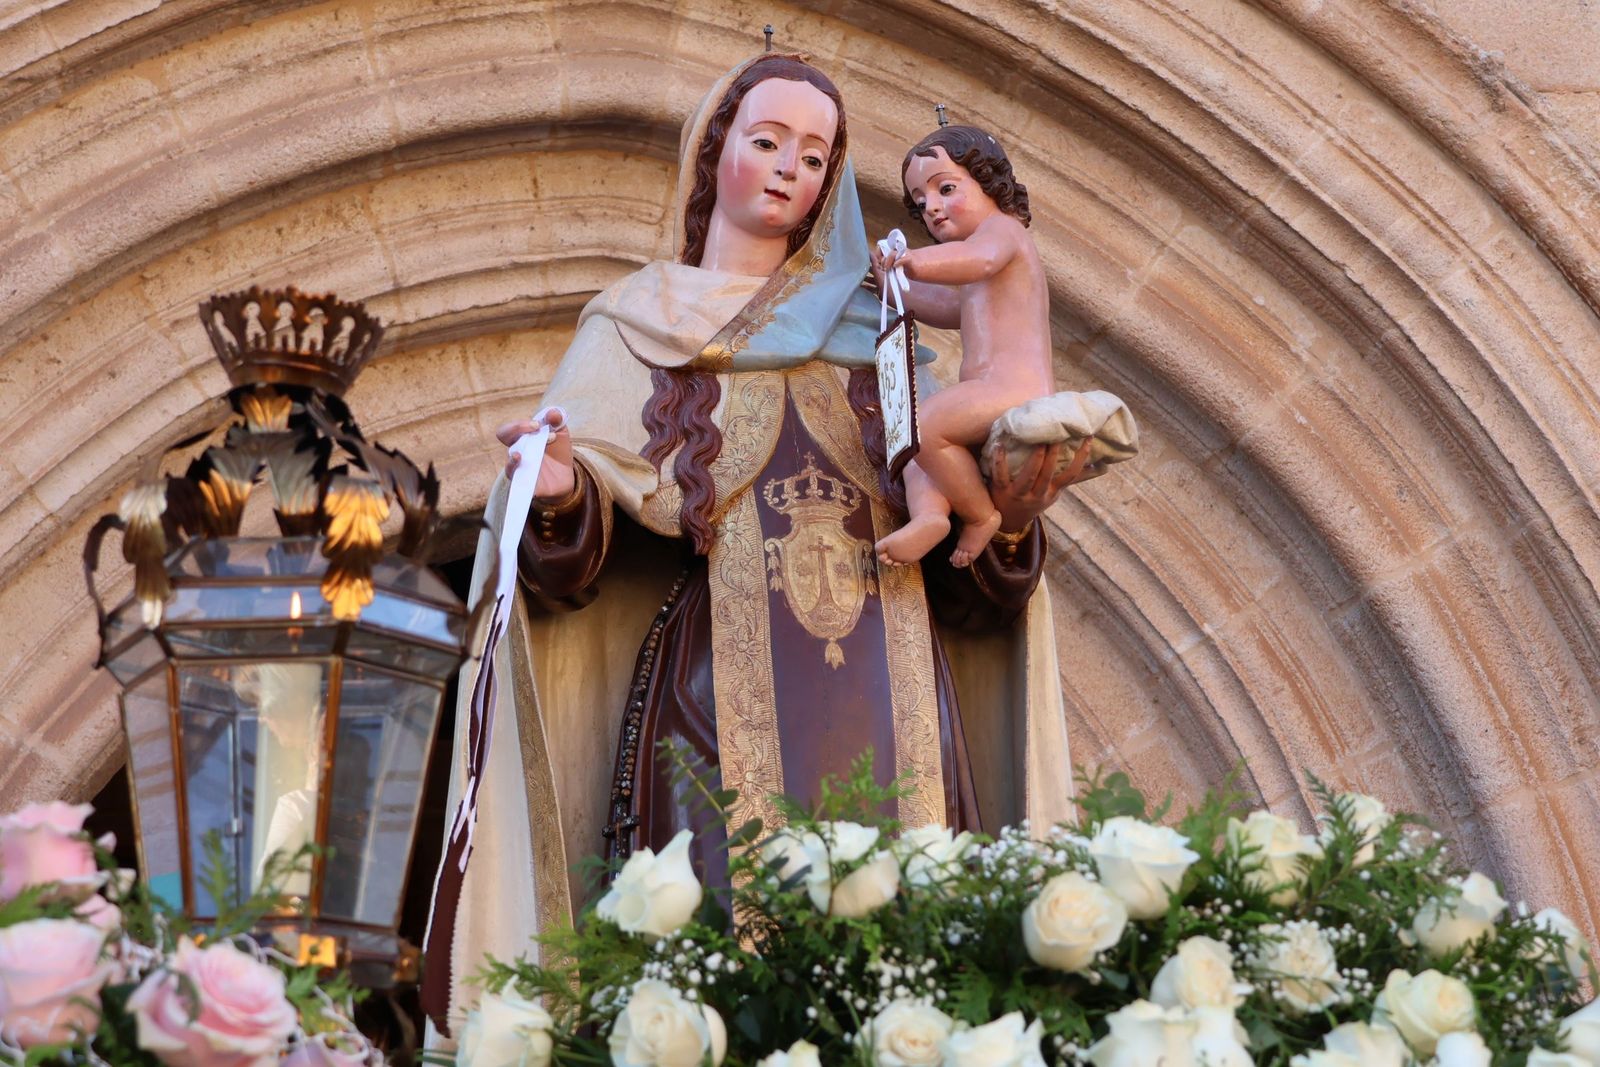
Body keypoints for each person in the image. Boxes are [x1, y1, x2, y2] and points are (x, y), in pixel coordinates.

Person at [425, 51, 1090, 1037]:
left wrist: (1015, 513)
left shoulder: (887, 332)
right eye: (767, 141)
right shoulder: (636, 323)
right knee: (707, 962)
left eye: (816, 156)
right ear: (713, 154)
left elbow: (973, 573)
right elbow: (571, 557)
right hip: (712, 696)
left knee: (912, 962)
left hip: (890, 684)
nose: (790, 169)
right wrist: (559, 488)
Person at [872, 126, 1057, 569]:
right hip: (985, 393)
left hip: (1015, 389)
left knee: (924, 426)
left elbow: (979, 259)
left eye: (946, 189)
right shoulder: (971, 273)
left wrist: (915, 261)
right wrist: (889, 285)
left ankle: (980, 516)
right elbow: (944, 308)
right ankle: (931, 517)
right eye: (920, 202)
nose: (931, 207)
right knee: (914, 453)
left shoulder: (1003, 233)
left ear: (989, 183)